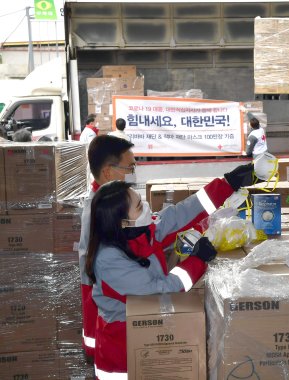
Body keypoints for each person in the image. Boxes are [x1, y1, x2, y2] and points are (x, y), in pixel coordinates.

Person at [84, 162, 256, 379]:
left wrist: (227, 184)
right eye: (139, 206)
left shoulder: (139, 231)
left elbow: (180, 213)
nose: (146, 207)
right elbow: (161, 288)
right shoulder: (109, 260)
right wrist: (197, 260)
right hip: (123, 351)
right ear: (123, 222)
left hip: (146, 334)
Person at [78, 135, 136, 359]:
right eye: (129, 168)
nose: (132, 174)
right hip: (105, 316)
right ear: (108, 172)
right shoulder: (98, 212)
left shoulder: (107, 202)